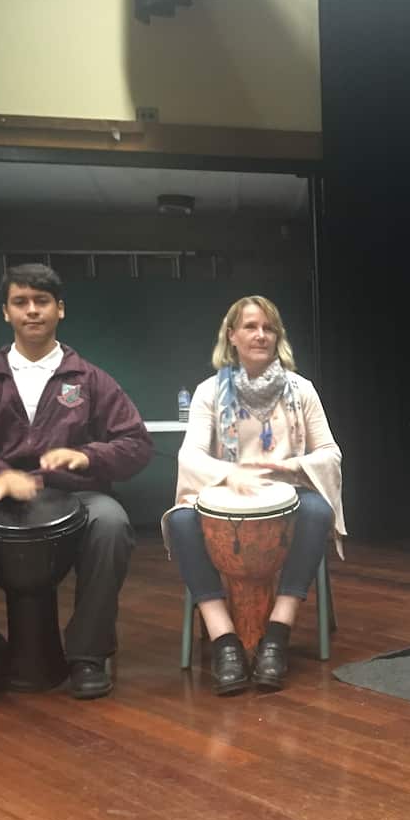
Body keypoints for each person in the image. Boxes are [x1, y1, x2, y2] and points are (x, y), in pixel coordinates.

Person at [0, 263, 153, 708]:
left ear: (59, 309)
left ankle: (87, 654)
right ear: (5, 312)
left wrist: (88, 455)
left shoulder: (90, 379)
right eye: (20, 302)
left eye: (42, 301)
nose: (32, 311)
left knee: (112, 524)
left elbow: (136, 443)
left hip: (77, 496)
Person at [165, 295, 345, 695]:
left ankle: (278, 632)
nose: (260, 335)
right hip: (224, 494)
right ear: (232, 336)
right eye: (250, 326)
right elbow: (190, 454)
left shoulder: (302, 391)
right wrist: (231, 475)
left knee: (317, 511)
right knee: (179, 519)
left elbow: (330, 453)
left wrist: (293, 467)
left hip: (289, 498)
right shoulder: (209, 392)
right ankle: (223, 636)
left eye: (268, 327)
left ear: (277, 335)